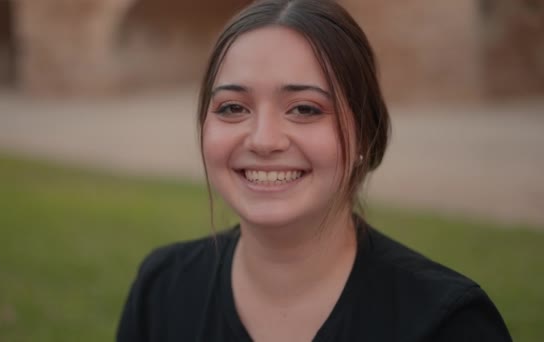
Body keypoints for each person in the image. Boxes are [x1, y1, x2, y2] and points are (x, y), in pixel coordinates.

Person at [116, 0, 512, 341]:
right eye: (233, 107)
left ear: (365, 134)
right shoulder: (161, 291)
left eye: (305, 108)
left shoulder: (447, 324)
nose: (263, 140)